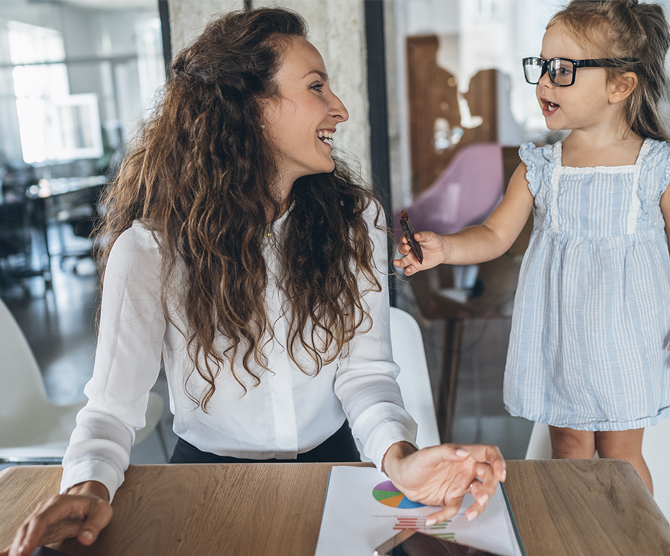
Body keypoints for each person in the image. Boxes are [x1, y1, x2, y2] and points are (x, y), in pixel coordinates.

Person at [3, 8, 506, 556]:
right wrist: (88, 486)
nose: (338, 109)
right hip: (203, 483)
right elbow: (110, 409)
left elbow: (366, 374)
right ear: (250, 108)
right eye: (316, 87)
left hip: (338, 468)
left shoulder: (356, 222)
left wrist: (401, 459)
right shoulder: (150, 248)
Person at [396, 0, 670, 495]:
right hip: (563, 337)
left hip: (629, 338)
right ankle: (573, 540)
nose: (543, 82)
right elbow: (495, 234)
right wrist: (446, 249)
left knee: (622, 455)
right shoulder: (541, 166)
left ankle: (634, 541)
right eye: (541, 66)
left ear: (619, 85)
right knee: (567, 449)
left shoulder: (658, 166)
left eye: (562, 71)